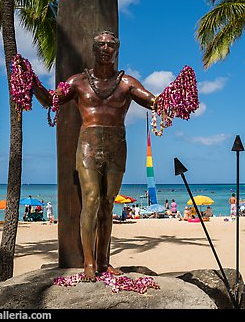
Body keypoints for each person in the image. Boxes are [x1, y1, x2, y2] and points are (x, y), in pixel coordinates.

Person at [31, 31, 157, 282]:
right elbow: (50, 100)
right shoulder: (78, 82)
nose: (106, 48)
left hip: (116, 144)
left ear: (117, 50)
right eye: (101, 44)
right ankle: (89, 263)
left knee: (108, 205)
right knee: (91, 200)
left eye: (111, 45)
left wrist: (178, 93)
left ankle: (103, 261)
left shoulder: (127, 83)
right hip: (88, 143)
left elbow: (154, 101)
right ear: (94, 49)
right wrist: (31, 82)